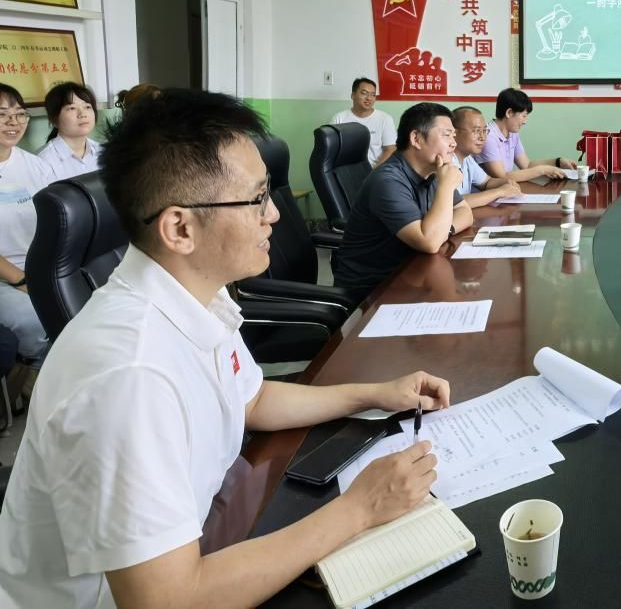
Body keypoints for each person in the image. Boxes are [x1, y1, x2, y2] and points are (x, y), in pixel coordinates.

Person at [0, 89, 447, 607]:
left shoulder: (195, 293)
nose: (274, 214)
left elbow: (252, 400)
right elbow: (169, 601)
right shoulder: (129, 375)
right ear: (180, 227)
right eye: (256, 199)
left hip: (207, 536)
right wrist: (360, 509)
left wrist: (375, 394)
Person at [333, 102, 474, 294]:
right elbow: (430, 243)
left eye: (454, 136)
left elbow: (464, 212)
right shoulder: (387, 181)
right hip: (371, 291)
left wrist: (444, 231)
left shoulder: (433, 171)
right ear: (416, 139)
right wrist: (446, 187)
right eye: (446, 135)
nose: (454, 143)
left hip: (409, 274)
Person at [0, 84, 53, 410]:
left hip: (36, 267)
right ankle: (24, 385)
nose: (14, 122)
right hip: (6, 277)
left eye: (20, 114)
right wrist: (21, 280)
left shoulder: (35, 166)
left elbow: (55, 221)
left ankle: (33, 379)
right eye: (2, 115)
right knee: (36, 319)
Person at [477, 88, 575, 182]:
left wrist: (557, 162)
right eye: (523, 116)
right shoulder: (488, 136)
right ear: (509, 113)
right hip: (486, 192)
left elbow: (527, 165)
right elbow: (502, 176)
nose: (525, 121)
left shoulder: (512, 134)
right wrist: (542, 170)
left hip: (505, 189)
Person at [451, 105, 520, 208]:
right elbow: (455, 202)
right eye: (476, 131)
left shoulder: (467, 158)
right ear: (454, 133)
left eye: (484, 131)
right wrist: (499, 192)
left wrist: (506, 182)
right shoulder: (447, 161)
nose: (482, 137)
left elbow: (486, 182)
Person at [38, 82, 101, 181]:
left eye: (87, 107)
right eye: (72, 108)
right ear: (54, 119)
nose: (82, 114)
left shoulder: (103, 152)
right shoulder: (42, 161)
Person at [330, 76, 396, 167]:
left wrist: (375, 170)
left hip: (375, 169)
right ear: (353, 95)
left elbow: (390, 150)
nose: (369, 98)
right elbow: (332, 150)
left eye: (373, 95)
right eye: (364, 93)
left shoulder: (385, 119)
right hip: (346, 170)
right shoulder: (339, 118)